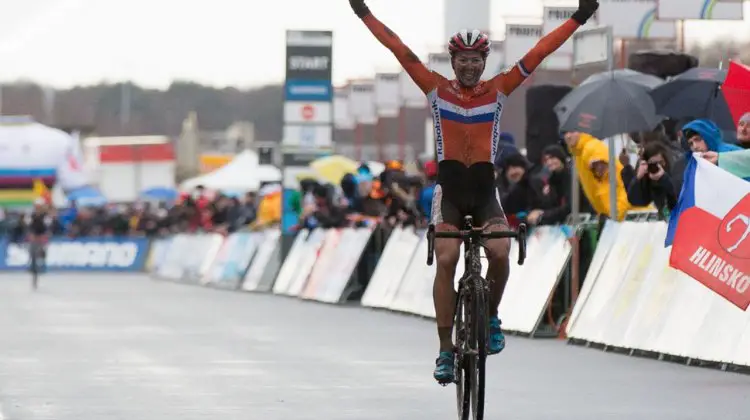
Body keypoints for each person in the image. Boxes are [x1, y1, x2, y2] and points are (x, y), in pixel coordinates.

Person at [348, 0, 599, 383]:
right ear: (453, 62)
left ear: (485, 61)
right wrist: (363, 12)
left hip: (484, 192)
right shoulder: (434, 88)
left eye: (475, 59)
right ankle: (445, 349)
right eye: (462, 59)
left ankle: (492, 315)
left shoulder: (499, 90)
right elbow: (397, 47)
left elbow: (540, 51)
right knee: (446, 257)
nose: (468, 66)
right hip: (448, 192)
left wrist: (579, 17)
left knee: (500, 250)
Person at [626, 142, 677, 221]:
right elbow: (634, 201)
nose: (656, 166)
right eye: (652, 164)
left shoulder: (673, 174)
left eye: (659, 162)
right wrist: (637, 178)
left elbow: (676, 200)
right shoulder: (646, 179)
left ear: (665, 161)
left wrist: (664, 178)